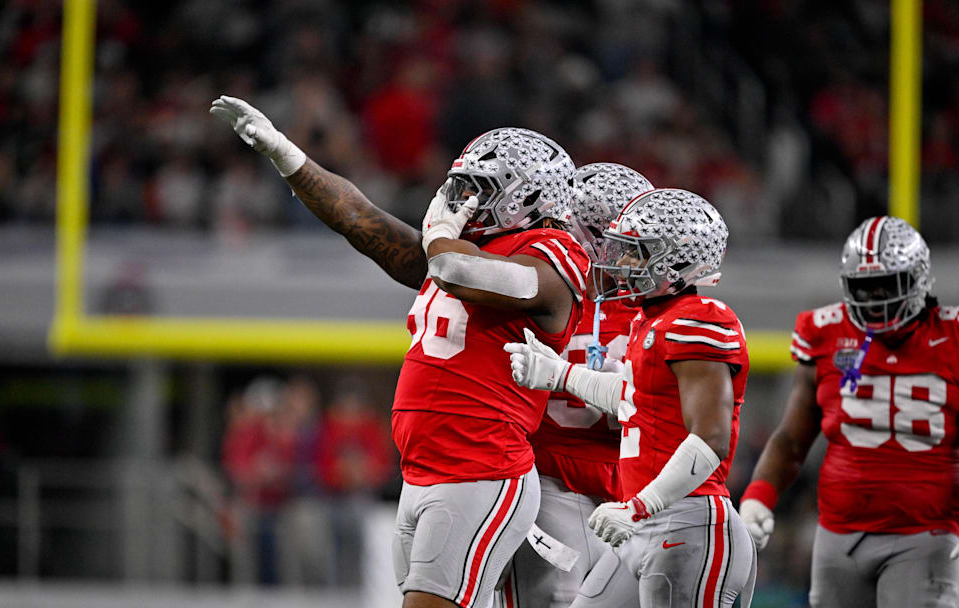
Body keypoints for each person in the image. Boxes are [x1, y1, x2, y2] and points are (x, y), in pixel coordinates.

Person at [211, 96, 590, 608]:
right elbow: (356, 217)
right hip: (422, 471)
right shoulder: (450, 252)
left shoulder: (552, 253)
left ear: (525, 200)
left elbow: (457, 272)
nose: (461, 198)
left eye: (481, 189)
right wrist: (285, 154)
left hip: (480, 469)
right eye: (462, 184)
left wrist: (438, 236)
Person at [738, 216, 959, 607]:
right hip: (838, 535)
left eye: (886, 285)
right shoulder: (826, 334)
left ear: (918, 279)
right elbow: (791, 438)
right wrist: (758, 496)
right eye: (863, 287)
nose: (874, 299)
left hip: (926, 535)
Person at [505, 189, 756, 607]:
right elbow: (635, 397)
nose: (619, 264)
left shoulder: (700, 318)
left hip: (688, 521)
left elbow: (711, 438)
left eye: (635, 253)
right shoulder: (652, 320)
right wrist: (560, 374)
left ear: (676, 261)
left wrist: (639, 506)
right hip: (644, 525)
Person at [500, 163, 653, 608]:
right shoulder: (548, 289)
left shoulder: (656, 307)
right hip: (549, 479)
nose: (631, 255)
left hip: (631, 488)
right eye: (624, 240)